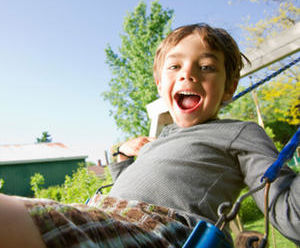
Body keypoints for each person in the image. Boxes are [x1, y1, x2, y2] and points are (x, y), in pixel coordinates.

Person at [0, 23, 299, 248]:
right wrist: (122, 158)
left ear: (230, 87)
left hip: (159, 229)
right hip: (105, 214)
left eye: (206, 66)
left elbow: (288, 214)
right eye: (175, 66)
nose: (188, 73)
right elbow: (131, 188)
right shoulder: (164, 136)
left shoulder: (239, 132)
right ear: (160, 84)